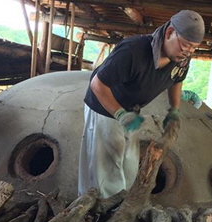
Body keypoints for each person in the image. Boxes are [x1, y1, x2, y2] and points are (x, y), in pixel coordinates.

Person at [78, 10, 204, 198]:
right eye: (186, 45)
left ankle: (124, 202)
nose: (189, 52)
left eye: (194, 48)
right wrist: (120, 114)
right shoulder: (132, 51)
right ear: (169, 33)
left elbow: (177, 80)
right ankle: (101, 210)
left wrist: (174, 110)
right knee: (106, 165)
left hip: (132, 109)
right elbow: (97, 84)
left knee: (128, 162)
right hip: (104, 107)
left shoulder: (181, 57)